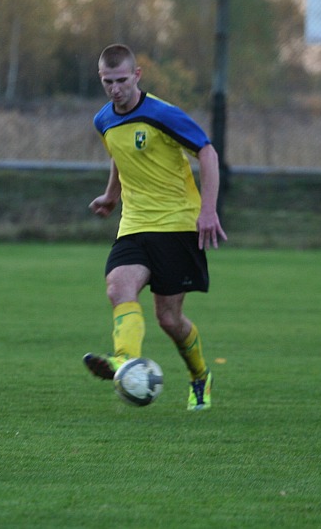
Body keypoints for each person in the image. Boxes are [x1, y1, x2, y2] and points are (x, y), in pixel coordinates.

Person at [83, 43, 227, 411]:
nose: (115, 88)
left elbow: (207, 152)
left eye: (121, 80)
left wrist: (208, 210)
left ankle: (199, 377)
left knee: (169, 319)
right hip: (133, 224)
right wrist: (111, 195)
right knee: (119, 287)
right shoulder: (104, 120)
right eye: (107, 81)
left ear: (137, 75)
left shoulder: (164, 114)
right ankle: (123, 361)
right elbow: (120, 155)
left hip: (177, 224)